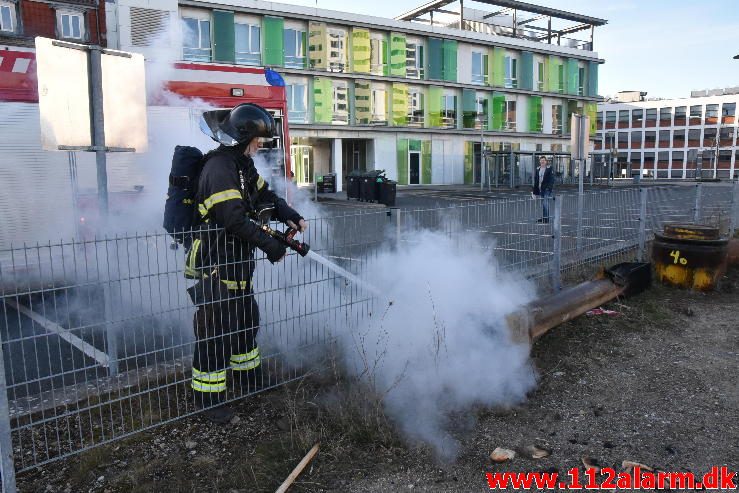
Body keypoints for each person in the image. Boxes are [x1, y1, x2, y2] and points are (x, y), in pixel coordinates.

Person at [186, 103, 308, 424]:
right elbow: (233, 219)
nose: (260, 145)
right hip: (215, 264)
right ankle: (208, 399)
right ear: (243, 137)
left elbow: (265, 196)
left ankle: (248, 378)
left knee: (246, 320)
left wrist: (290, 215)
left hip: (236, 263)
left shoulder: (241, 166)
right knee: (215, 332)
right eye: (257, 139)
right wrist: (272, 246)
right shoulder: (219, 169)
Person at [532, 156, 555, 224]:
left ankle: (546, 219)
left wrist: (549, 187)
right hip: (540, 189)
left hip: (546, 189)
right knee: (543, 204)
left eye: (543, 160)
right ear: (540, 161)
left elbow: (552, 179)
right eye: (541, 160)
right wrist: (534, 192)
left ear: (546, 161)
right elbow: (536, 180)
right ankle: (544, 218)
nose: (542, 161)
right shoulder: (538, 169)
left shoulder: (549, 168)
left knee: (545, 203)